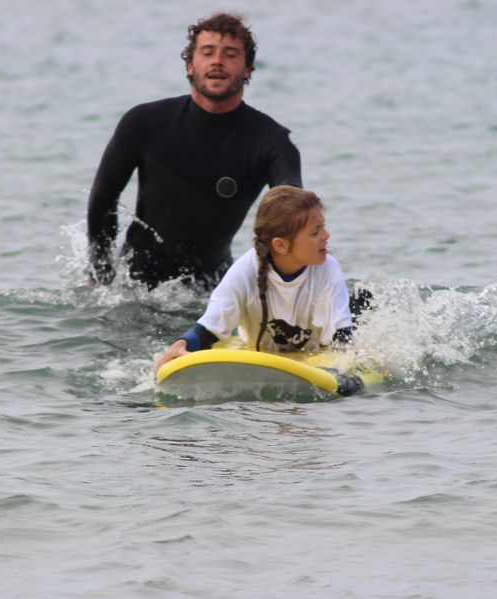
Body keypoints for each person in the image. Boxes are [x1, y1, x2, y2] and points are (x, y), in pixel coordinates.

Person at [87, 12, 302, 290]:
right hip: (134, 286)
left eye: (230, 54)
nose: (217, 61)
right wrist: (101, 274)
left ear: (248, 69)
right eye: (207, 52)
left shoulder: (272, 141)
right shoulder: (144, 122)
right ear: (190, 65)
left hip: (213, 289)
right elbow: (103, 198)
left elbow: (293, 215)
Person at [154, 186, 352, 371]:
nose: (326, 235)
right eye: (315, 232)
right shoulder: (245, 271)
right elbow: (211, 326)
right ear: (281, 246)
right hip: (259, 353)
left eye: (323, 228)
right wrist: (181, 345)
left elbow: (340, 341)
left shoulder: (328, 269)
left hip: (314, 355)